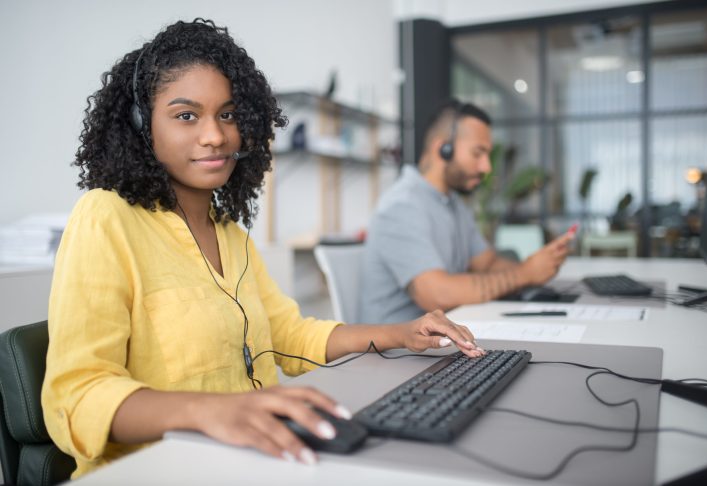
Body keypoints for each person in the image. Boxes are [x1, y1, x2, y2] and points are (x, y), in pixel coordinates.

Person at [40, 20, 485, 478]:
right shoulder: (106, 218)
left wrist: (399, 335)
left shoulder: (231, 234)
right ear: (141, 125)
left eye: (228, 115)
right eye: (186, 115)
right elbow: (77, 396)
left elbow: (288, 337)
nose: (215, 135)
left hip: (249, 460)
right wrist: (212, 411)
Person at [358, 100, 574, 323]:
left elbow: (487, 264)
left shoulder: (452, 204)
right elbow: (437, 295)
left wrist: (539, 265)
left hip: (444, 337)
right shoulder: (401, 206)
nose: (486, 167)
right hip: (395, 354)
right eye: (478, 153)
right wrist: (524, 274)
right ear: (443, 149)